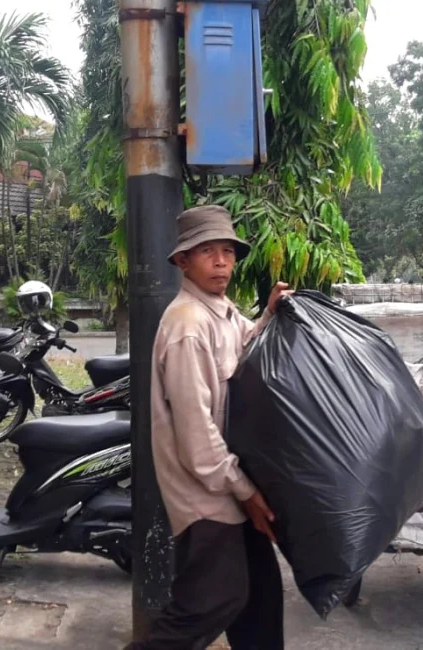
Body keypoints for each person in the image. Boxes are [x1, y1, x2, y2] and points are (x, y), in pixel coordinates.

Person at [130, 205, 292, 650]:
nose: (221, 262)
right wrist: (246, 491)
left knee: (260, 599)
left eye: (228, 252)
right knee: (211, 602)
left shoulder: (221, 311)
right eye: (208, 252)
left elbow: (245, 346)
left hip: (232, 484)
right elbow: (196, 437)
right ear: (183, 261)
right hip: (206, 495)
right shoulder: (187, 325)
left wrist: (269, 315)